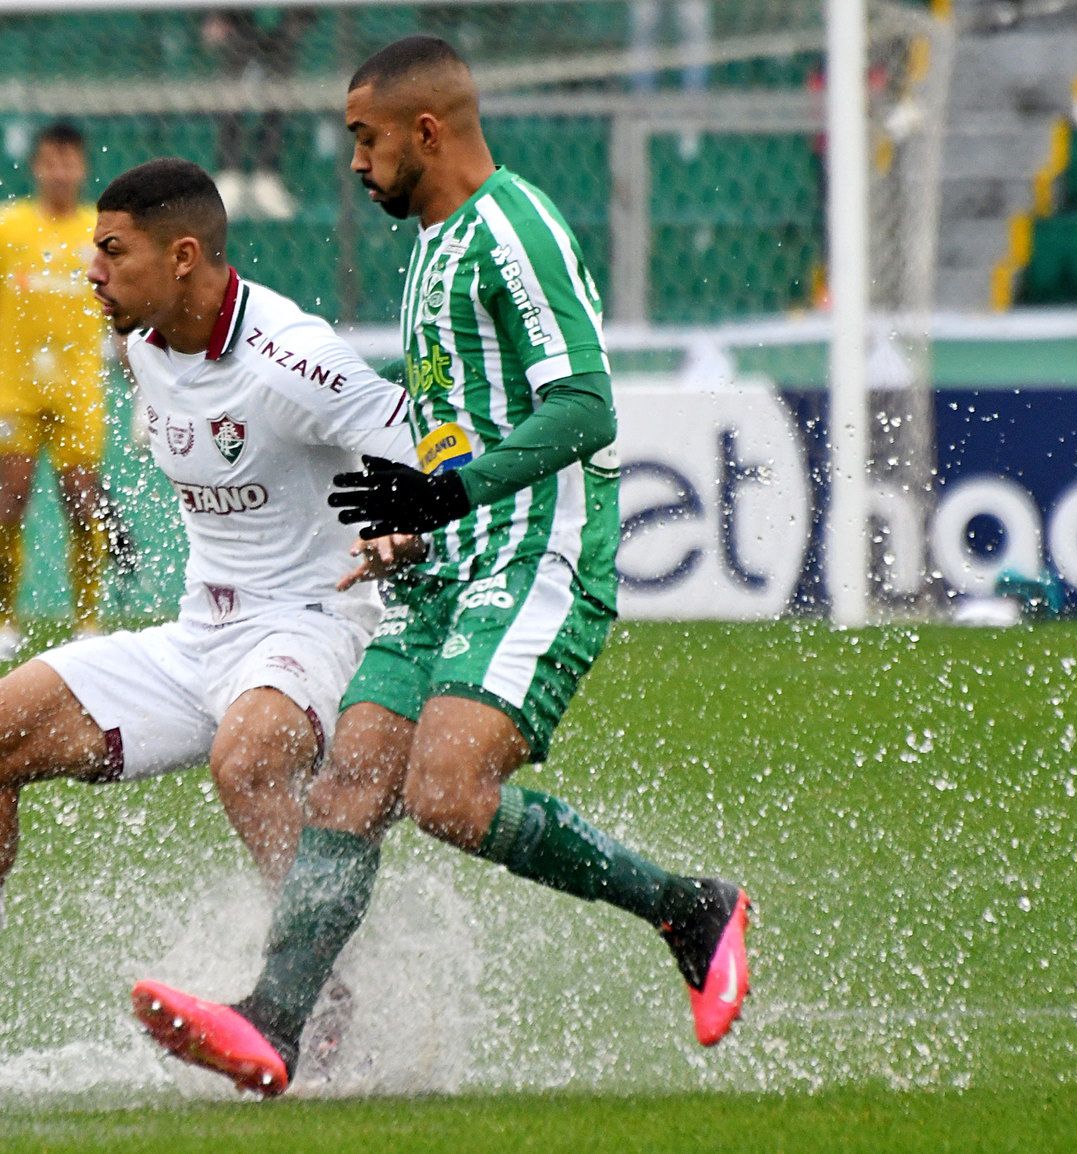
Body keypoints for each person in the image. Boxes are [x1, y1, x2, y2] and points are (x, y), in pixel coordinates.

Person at [131, 36, 753, 1098]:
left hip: (535, 553)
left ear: (425, 131)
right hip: (444, 563)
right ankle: (274, 1020)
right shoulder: (431, 242)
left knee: (448, 794)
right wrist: (404, 521)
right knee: (349, 784)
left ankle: (690, 908)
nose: (353, 161)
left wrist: (446, 495)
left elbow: (585, 404)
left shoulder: (513, 230)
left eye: (362, 138)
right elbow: (454, 418)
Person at [0, 157, 420, 1079]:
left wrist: (402, 533)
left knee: (246, 759)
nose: (91, 269)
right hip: (199, 637)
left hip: (313, 628)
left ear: (184, 258)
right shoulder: (141, 340)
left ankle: (313, 1010)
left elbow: (414, 442)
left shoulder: (293, 354)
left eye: (112, 251)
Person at [0, 123, 113, 660]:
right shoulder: (2, 226)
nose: (59, 170)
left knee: (83, 504)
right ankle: (3, 621)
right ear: (35, 166)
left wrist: (147, 391)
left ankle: (87, 623)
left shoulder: (101, 230)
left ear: (83, 167)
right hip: (15, 389)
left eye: (69, 161)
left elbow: (124, 315)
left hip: (79, 390)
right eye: (49, 160)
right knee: (9, 503)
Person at [203, 8, 315, 221]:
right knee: (234, 79)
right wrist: (217, 14)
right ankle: (230, 174)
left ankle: (266, 174)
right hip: (239, 19)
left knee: (279, 78)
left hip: (284, 19)